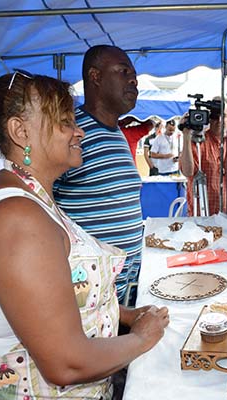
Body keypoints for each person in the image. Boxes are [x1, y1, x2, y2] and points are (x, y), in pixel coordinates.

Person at [0, 72, 169, 399]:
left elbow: (54, 295)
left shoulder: (30, 198)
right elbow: (65, 364)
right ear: (20, 131)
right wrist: (142, 338)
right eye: (65, 122)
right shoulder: (15, 220)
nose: (79, 131)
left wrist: (124, 314)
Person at [54, 45, 150, 305]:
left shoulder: (116, 131)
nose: (134, 79)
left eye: (135, 75)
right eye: (123, 71)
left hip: (123, 292)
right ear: (95, 77)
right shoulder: (70, 133)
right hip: (89, 298)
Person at [179, 97, 227, 216]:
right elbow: (188, 171)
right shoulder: (198, 141)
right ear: (208, 118)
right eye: (215, 117)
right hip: (200, 214)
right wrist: (186, 134)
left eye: (224, 115)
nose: (220, 120)